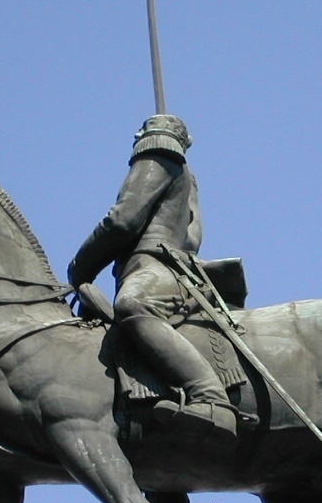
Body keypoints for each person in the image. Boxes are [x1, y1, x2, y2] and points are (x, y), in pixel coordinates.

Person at [67, 114, 237, 445]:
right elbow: (192, 239)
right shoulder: (188, 178)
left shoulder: (157, 158)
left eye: (142, 128)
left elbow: (122, 220)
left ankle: (211, 398)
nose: (136, 133)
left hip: (153, 266)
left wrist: (81, 268)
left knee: (132, 305)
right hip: (175, 267)